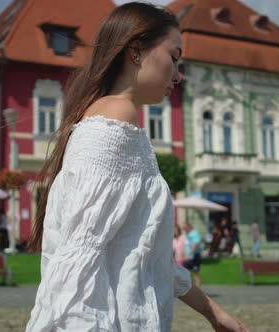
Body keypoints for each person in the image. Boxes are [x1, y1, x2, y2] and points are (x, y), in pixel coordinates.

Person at [24, 3, 248, 332]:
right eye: (174, 57)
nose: (178, 73)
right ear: (136, 51)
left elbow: (146, 258)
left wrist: (212, 311)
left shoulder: (117, 122)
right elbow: (77, 269)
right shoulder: (114, 120)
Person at [182, 222, 203, 288]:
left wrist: (189, 254)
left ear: (189, 226)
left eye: (185, 228)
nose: (184, 229)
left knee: (196, 272)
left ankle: (198, 289)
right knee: (186, 273)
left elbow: (195, 244)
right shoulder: (187, 234)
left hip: (195, 256)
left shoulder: (195, 233)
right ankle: (189, 288)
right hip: (188, 257)